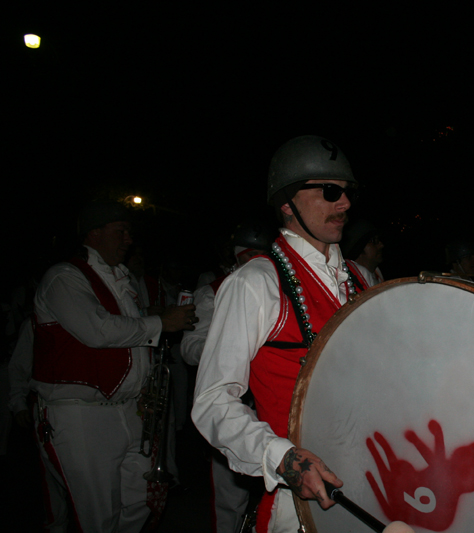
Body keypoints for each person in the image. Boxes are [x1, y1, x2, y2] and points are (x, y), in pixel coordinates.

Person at [192, 135, 363, 532]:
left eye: (347, 192)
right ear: (287, 203)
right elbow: (213, 400)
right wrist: (282, 458)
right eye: (330, 191)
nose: (345, 203)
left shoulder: (359, 277)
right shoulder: (255, 283)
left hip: (367, 479)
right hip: (299, 501)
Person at [31, 201, 197, 533]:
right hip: (80, 414)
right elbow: (99, 330)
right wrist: (160, 322)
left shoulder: (122, 280)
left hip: (129, 411)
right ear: (93, 233)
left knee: (140, 500)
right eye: (119, 231)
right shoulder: (63, 276)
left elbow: (126, 335)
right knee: (97, 516)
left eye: (128, 232)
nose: (128, 239)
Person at [182, 221, 271, 533]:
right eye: (250, 255)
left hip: (272, 405)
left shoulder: (278, 287)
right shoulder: (212, 291)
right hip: (233, 406)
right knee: (231, 498)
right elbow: (190, 348)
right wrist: (233, 345)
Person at [340, 219, 385, 290]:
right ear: (359, 248)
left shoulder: (378, 276)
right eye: (374, 241)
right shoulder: (344, 282)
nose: (381, 245)